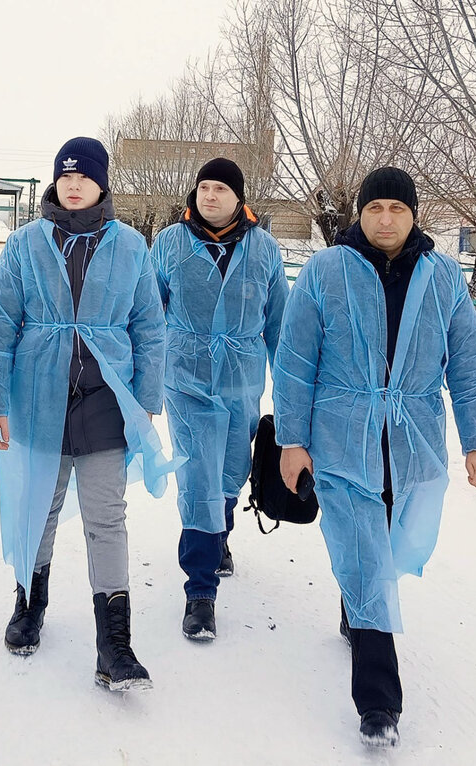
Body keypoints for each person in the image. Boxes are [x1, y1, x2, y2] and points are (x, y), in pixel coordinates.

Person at [272, 167, 476, 748]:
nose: (387, 219)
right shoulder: (326, 271)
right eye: (376, 209)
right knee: (366, 555)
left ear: (414, 214)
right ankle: (379, 702)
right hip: (343, 438)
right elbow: (296, 360)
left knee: (390, 547)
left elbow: (468, 365)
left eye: (398, 208)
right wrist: (292, 439)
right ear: (361, 213)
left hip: (411, 441)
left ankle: (357, 605)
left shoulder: (443, 276)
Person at [0, 137, 176, 691]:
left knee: (106, 518)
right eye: (64, 176)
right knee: (38, 510)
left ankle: (114, 645)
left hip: (105, 400)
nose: (72, 184)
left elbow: (149, 329)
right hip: (38, 397)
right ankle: (29, 603)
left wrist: (146, 401)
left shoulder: (132, 246)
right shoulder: (25, 244)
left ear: (101, 183)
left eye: (83, 176)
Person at [150, 158, 289, 641]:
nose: (209, 196)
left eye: (220, 189)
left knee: (231, 470)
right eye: (203, 187)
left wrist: (291, 395)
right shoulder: (169, 243)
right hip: (184, 374)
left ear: (239, 198)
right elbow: (148, 316)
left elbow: (280, 328)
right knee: (198, 476)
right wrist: (143, 382)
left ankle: (220, 535)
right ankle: (200, 590)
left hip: (242, 380)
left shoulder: (264, 249)